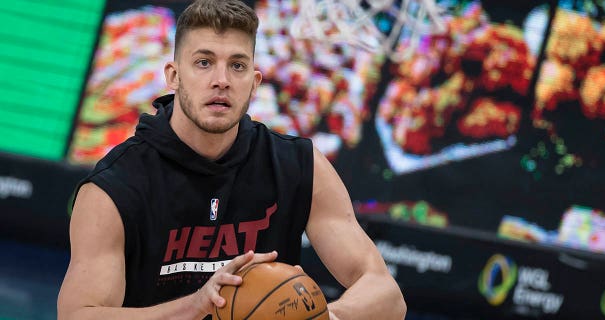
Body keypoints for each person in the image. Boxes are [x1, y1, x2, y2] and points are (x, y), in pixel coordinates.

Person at [57, 0, 406, 319]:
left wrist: (324, 318)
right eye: (204, 63)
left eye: (237, 66)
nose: (221, 81)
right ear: (174, 76)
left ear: (254, 83)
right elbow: (77, 316)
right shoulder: (114, 188)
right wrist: (195, 305)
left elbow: (386, 295)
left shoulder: (299, 165)